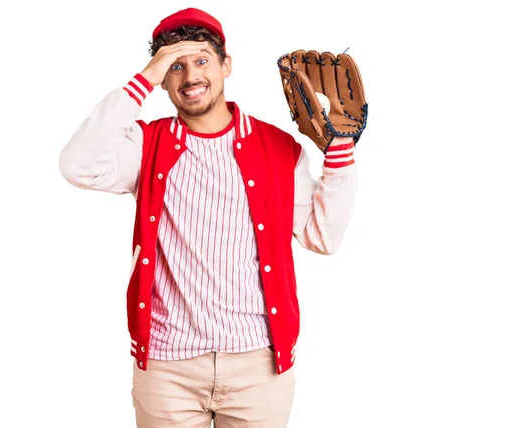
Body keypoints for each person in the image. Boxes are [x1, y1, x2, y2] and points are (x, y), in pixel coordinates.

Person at [59, 7, 357, 428]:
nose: (190, 76)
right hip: (167, 368)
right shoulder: (147, 145)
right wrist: (145, 77)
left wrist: (340, 154)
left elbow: (322, 237)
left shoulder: (278, 148)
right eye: (175, 66)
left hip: (259, 366)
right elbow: (78, 165)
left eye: (201, 60)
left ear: (226, 65)